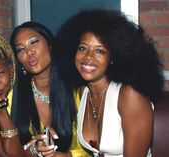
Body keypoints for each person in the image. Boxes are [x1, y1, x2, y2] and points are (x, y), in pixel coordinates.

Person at [56, 10, 164, 157]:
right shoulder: (83, 92)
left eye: (99, 51)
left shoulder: (129, 95)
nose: (88, 57)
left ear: (113, 57)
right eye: (82, 48)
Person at [10, 21, 91, 157]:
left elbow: (92, 149)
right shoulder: (11, 97)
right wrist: (33, 150)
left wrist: (66, 156)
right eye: (20, 49)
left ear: (50, 45)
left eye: (34, 42)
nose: (29, 52)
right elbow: (0, 150)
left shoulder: (78, 92)